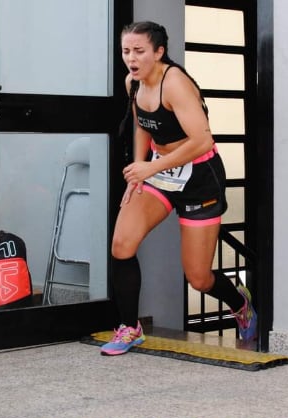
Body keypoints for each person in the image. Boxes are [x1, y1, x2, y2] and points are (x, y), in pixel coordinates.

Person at [100, 21, 257, 356]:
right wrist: (140, 172)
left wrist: (149, 167)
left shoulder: (175, 84)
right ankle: (130, 328)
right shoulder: (134, 82)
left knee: (198, 278)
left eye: (139, 51)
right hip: (159, 171)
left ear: (159, 52)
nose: (131, 58)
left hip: (200, 176)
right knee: (121, 244)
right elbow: (143, 125)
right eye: (126, 51)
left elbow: (202, 141)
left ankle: (240, 303)